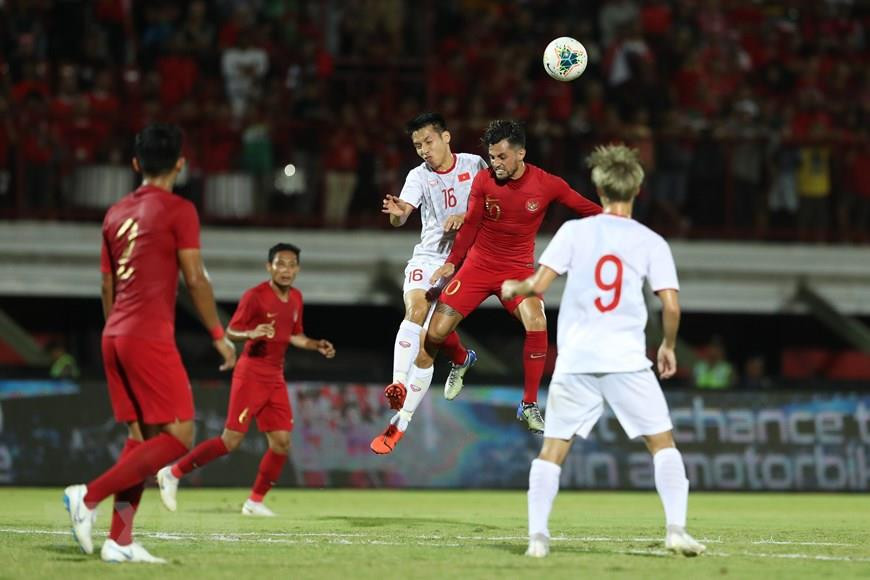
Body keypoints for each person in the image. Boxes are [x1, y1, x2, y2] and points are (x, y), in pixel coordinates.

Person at [500, 144, 705, 558]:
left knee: (552, 451)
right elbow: (671, 305)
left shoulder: (575, 231)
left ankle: (538, 539)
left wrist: (515, 287)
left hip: (576, 358)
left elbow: (537, 286)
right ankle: (677, 531)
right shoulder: (651, 241)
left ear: (598, 185)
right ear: (638, 189)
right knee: (662, 444)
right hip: (626, 360)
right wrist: (666, 344)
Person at [370, 119, 601, 454]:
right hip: (470, 264)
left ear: (521, 153)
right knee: (431, 335)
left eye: (502, 157)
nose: (496, 163)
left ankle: (528, 403)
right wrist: (449, 258)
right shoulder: (479, 177)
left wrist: (620, 224)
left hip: (515, 270)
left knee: (537, 321)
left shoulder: (542, 182)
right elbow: (471, 221)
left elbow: (586, 208)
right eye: (492, 157)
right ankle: (453, 363)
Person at [63, 123, 237, 563]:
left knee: (140, 441)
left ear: (136, 164)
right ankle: (87, 496)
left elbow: (106, 286)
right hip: (146, 335)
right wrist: (218, 334)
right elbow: (194, 279)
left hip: (114, 332)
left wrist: (114, 333)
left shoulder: (114, 213)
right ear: (181, 163)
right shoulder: (179, 210)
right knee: (180, 436)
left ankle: (118, 540)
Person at [156, 243, 335, 515]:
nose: (286, 270)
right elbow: (232, 330)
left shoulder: (296, 298)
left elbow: (294, 334)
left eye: (291, 265)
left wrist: (314, 345)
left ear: (297, 269)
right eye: (280, 264)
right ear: (269, 267)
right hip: (251, 373)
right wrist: (251, 333)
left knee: (282, 443)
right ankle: (173, 473)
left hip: (275, 376)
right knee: (230, 441)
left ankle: (254, 502)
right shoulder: (255, 296)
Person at [371, 112, 485, 456]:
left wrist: (465, 217)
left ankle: (400, 424)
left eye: (428, 141)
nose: (423, 149)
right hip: (429, 257)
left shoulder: (475, 164)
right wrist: (396, 211)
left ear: (446, 137)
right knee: (416, 308)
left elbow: (492, 207)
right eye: (417, 145)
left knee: (429, 343)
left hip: (466, 263)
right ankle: (398, 384)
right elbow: (403, 212)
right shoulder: (417, 175)